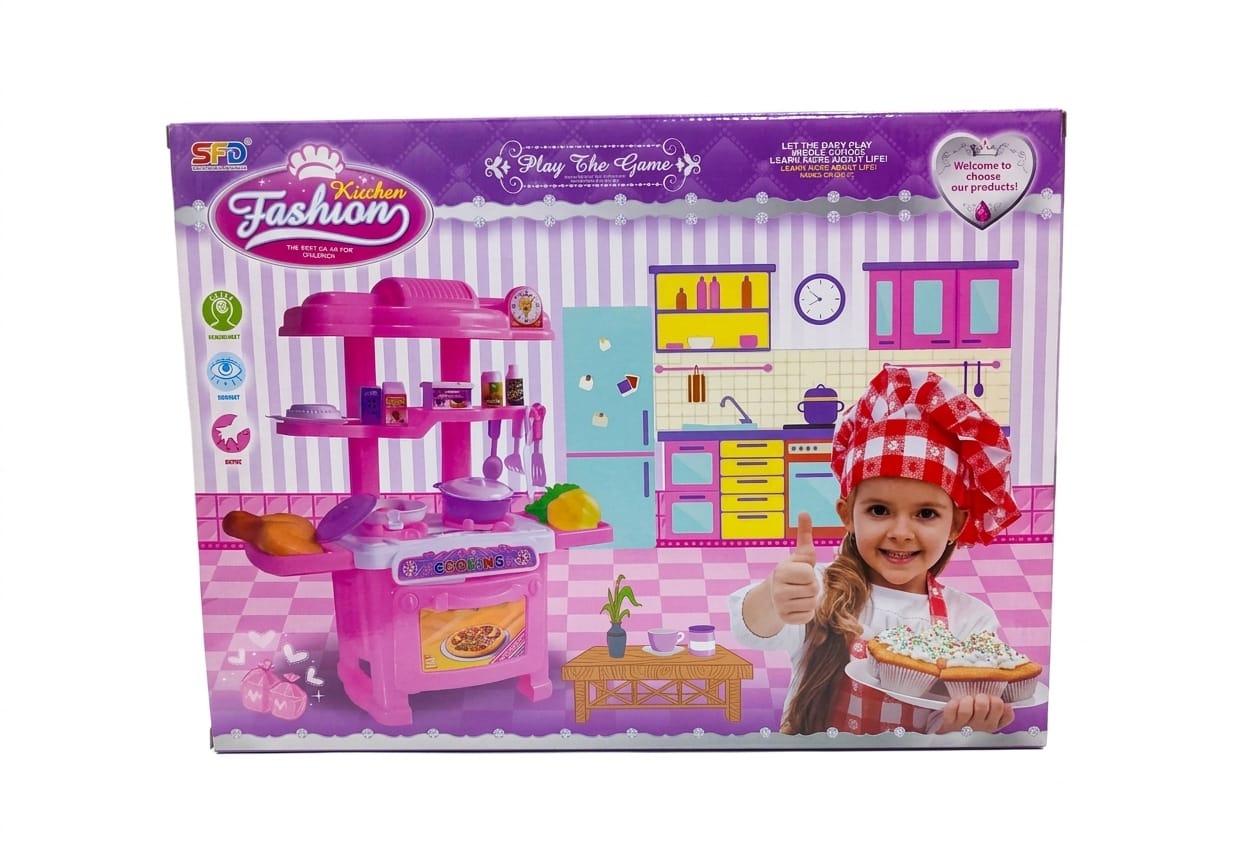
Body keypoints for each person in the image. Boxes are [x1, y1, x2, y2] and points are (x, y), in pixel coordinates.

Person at [728, 366, 1022, 735]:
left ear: (956, 525)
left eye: (926, 514)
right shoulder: (818, 590)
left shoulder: (971, 622)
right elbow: (751, 629)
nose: (900, 533)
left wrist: (963, 724)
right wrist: (776, 594)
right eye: (879, 510)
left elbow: (945, 728)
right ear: (847, 515)